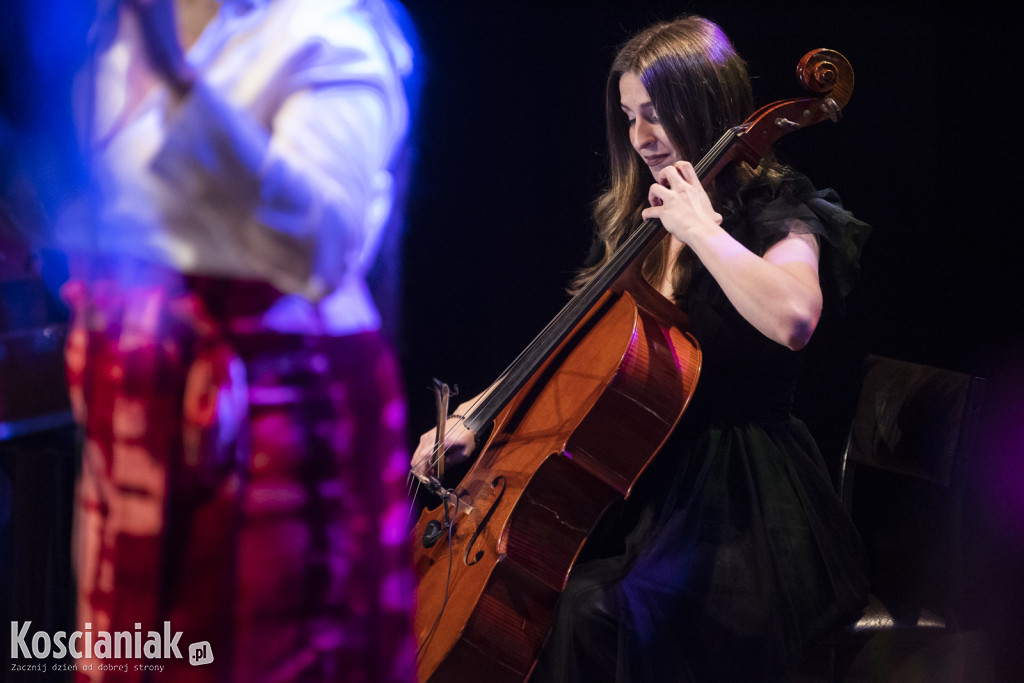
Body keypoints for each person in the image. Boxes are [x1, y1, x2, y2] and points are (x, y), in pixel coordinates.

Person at [412, 14, 870, 682]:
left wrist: (704, 232)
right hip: (647, 488)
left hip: (739, 506)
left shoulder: (774, 208)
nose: (640, 137)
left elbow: (795, 316)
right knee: (537, 593)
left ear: (702, 106)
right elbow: (568, 346)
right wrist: (472, 416)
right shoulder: (643, 219)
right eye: (629, 116)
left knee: (598, 614)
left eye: (655, 113)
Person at [59, 0, 418, 680]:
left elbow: (316, 246)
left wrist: (174, 79)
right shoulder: (111, 34)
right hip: (137, 404)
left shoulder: (327, 30)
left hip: (277, 404)